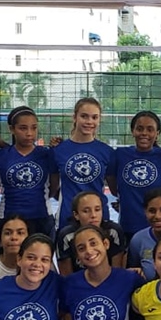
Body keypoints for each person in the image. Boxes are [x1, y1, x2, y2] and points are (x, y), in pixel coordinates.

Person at [51, 97, 116, 228]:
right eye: (84, 116)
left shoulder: (107, 152)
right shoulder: (58, 151)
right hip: (68, 218)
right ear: (75, 117)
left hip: (98, 218)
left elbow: (114, 189)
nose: (89, 122)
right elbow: (53, 188)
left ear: (99, 120)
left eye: (94, 117)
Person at [110, 111, 161, 238]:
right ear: (133, 131)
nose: (144, 133)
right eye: (140, 129)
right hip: (128, 227)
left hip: (157, 228)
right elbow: (112, 183)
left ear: (157, 134)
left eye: (150, 129)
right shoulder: (120, 154)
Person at [0, 105, 54, 237]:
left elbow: (54, 185)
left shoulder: (47, 155)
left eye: (34, 127)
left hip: (41, 217)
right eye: (23, 128)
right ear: (12, 129)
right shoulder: (0, 156)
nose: (29, 133)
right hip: (8, 219)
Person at [55, 191, 127, 275]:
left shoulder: (114, 232)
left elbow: (118, 272)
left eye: (97, 210)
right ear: (76, 215)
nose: (93, 215)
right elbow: (66, 276)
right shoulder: (66, 236)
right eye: (86, 211)